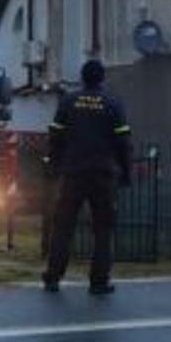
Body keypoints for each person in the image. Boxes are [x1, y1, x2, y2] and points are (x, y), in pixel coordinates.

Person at [42, 60, 133, 295]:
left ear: (82, 78)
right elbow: (124, 143)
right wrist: (126, 173)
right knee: (103, 229)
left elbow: (55, 137)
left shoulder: (68, 101)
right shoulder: (114, 104)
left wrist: (54, 166)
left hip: (73, 173)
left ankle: (53, 277)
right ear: (102, 78)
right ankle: (99, 281)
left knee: (63, 225)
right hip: (104, 174)